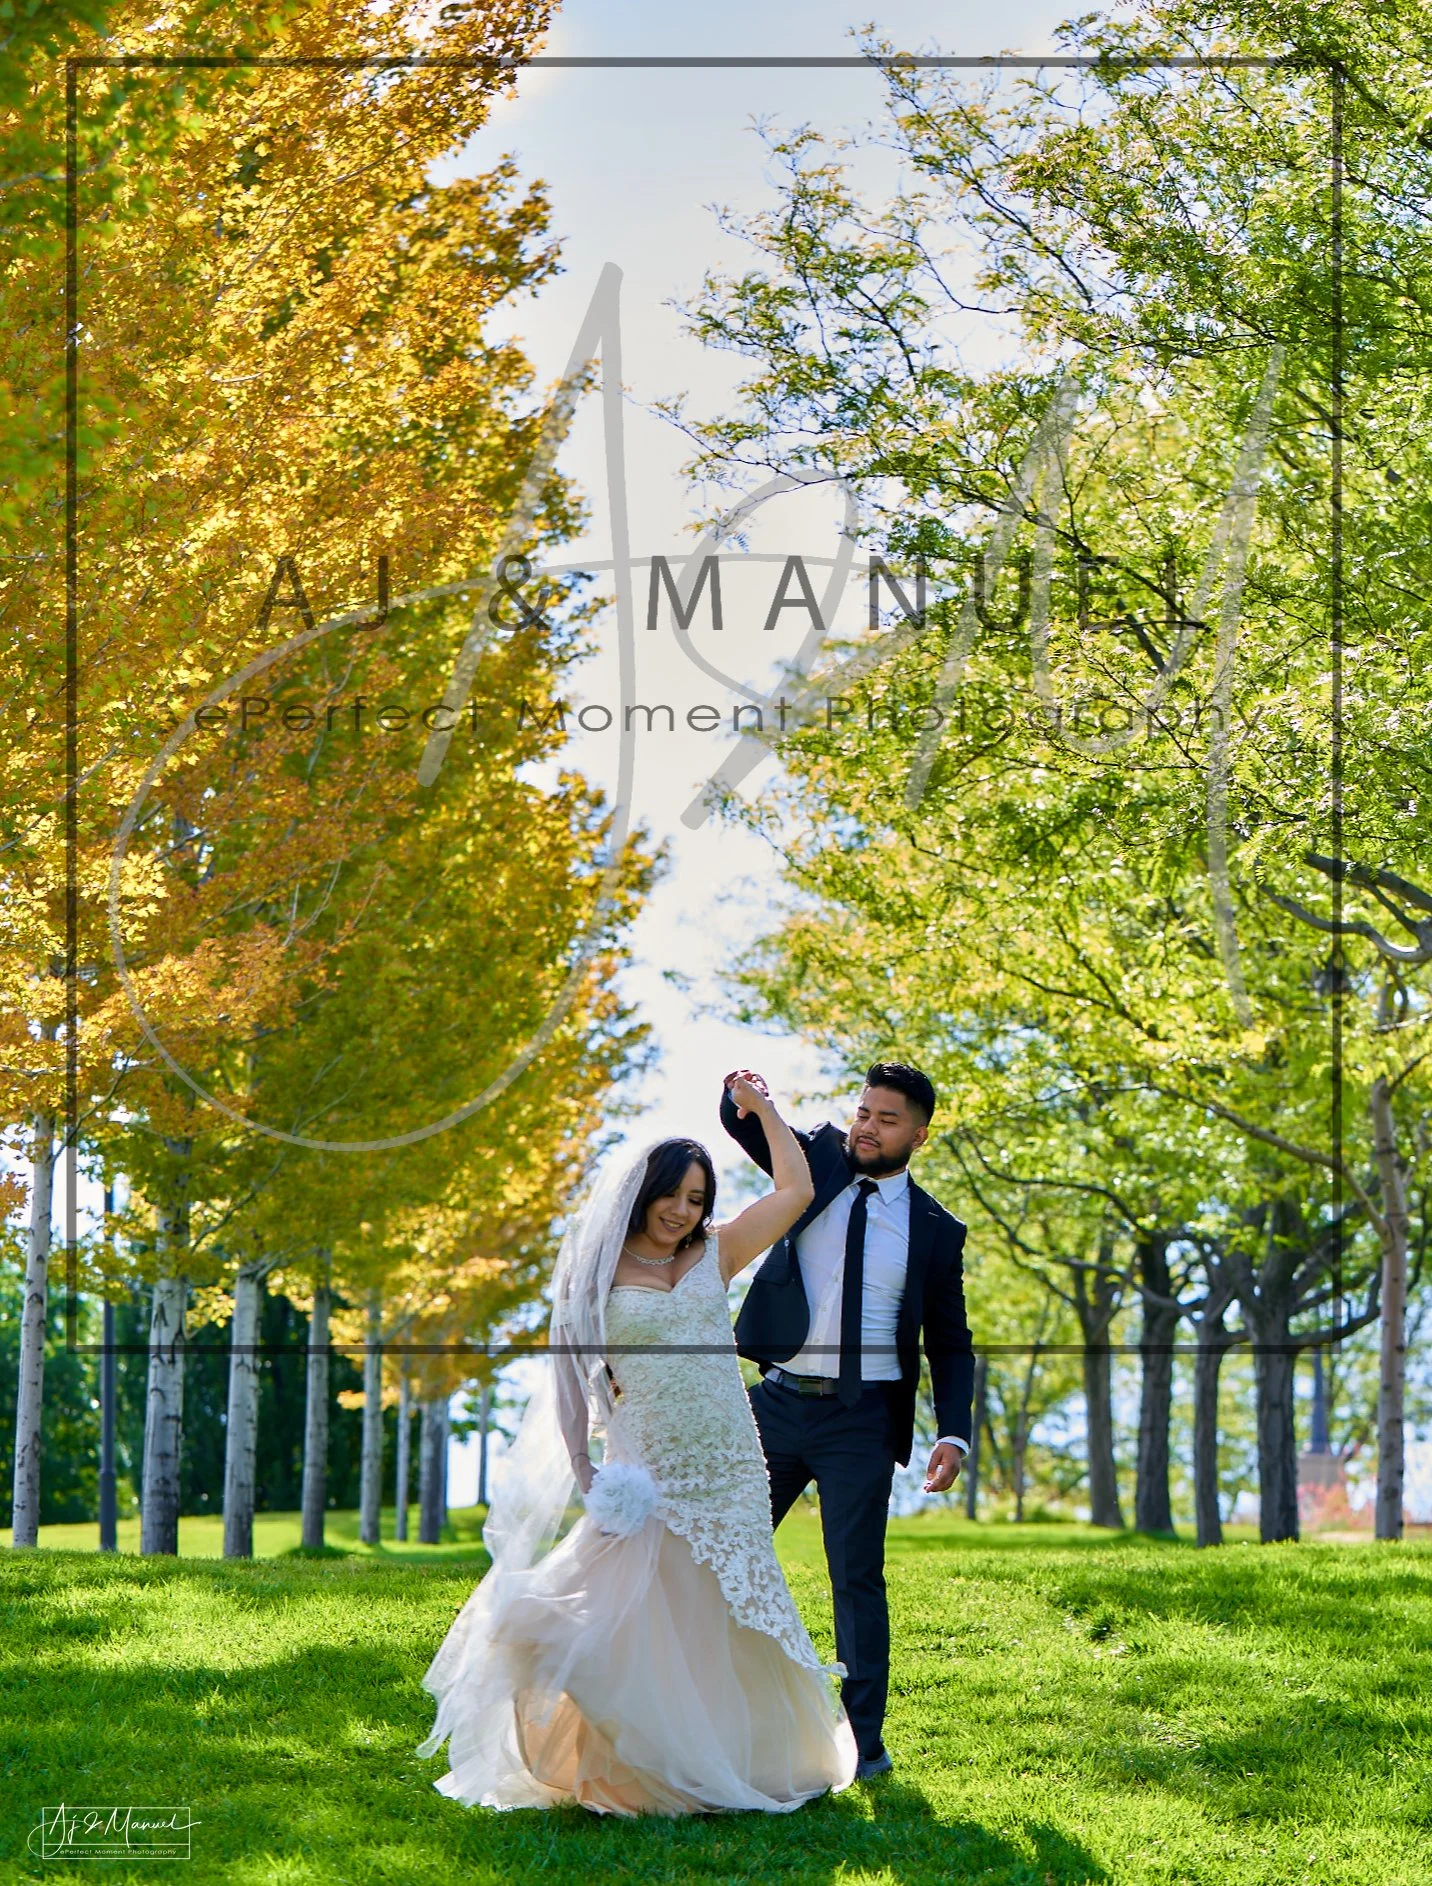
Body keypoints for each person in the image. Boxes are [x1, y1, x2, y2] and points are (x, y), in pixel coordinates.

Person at [417, 1077, 858, 1816]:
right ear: (645, 1192)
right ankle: (629, 1769)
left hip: (731, 1464)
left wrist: (767, 1113)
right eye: (673, 1195)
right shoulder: (595, 1273)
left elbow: (795, 1190)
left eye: (697, 1198)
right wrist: (585, 1462)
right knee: (623, 1611)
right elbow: (566, 1376)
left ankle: (727, 1760)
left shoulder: (716, 1254)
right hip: (647, 1467)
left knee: (719, 1618)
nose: (683, 1210)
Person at [720, 1061, 974, 1780]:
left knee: (855, 1579)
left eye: (887, 1120)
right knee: (719, 1552)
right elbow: (745, 1127)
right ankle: (709, 1715)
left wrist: (951, 1433)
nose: (867, 1127)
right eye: (863, 1112)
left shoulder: (934, 1229)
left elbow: (951, 1343)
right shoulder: (819, 1163)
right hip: (773, 1404)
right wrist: (744, 1094)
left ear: (919, 1136)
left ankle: (866, 1742)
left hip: (862, 1417)